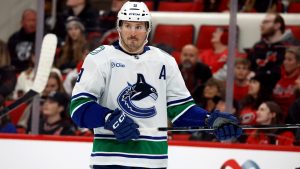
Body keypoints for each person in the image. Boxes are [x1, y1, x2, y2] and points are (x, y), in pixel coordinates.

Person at [69, 2, 242, 169]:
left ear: (148, 29)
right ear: (119, 27)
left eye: (139, 27)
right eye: (128, 25)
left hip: (153, 160)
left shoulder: (165, 61)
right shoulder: (99, 58)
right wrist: (108, 118)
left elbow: (181, 109)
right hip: (110, 158)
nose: (133, 32)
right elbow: (78, 108)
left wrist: (209, 120)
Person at [247, 13, 300, 89]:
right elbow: (248, 65)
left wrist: (257, 75)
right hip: (255, 88)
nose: (261, 25)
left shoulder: (288, 47)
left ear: (277, 25)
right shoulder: (258, 46)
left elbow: (279, 71)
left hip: (279, 89)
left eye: (266, 22)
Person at [273, 47, 300, 118]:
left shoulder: (298, 81)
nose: (285, 62)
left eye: (290, 60)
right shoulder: (280, 76)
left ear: (298, 63)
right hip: (278, 118)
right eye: (285, 59)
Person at [7, 9, 36, 73]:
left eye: (34, 20)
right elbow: (9, 59)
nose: (32, 23)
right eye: (29, 20)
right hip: (17, 72)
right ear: (22, 22)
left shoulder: (43, 38)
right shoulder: (14, 39)